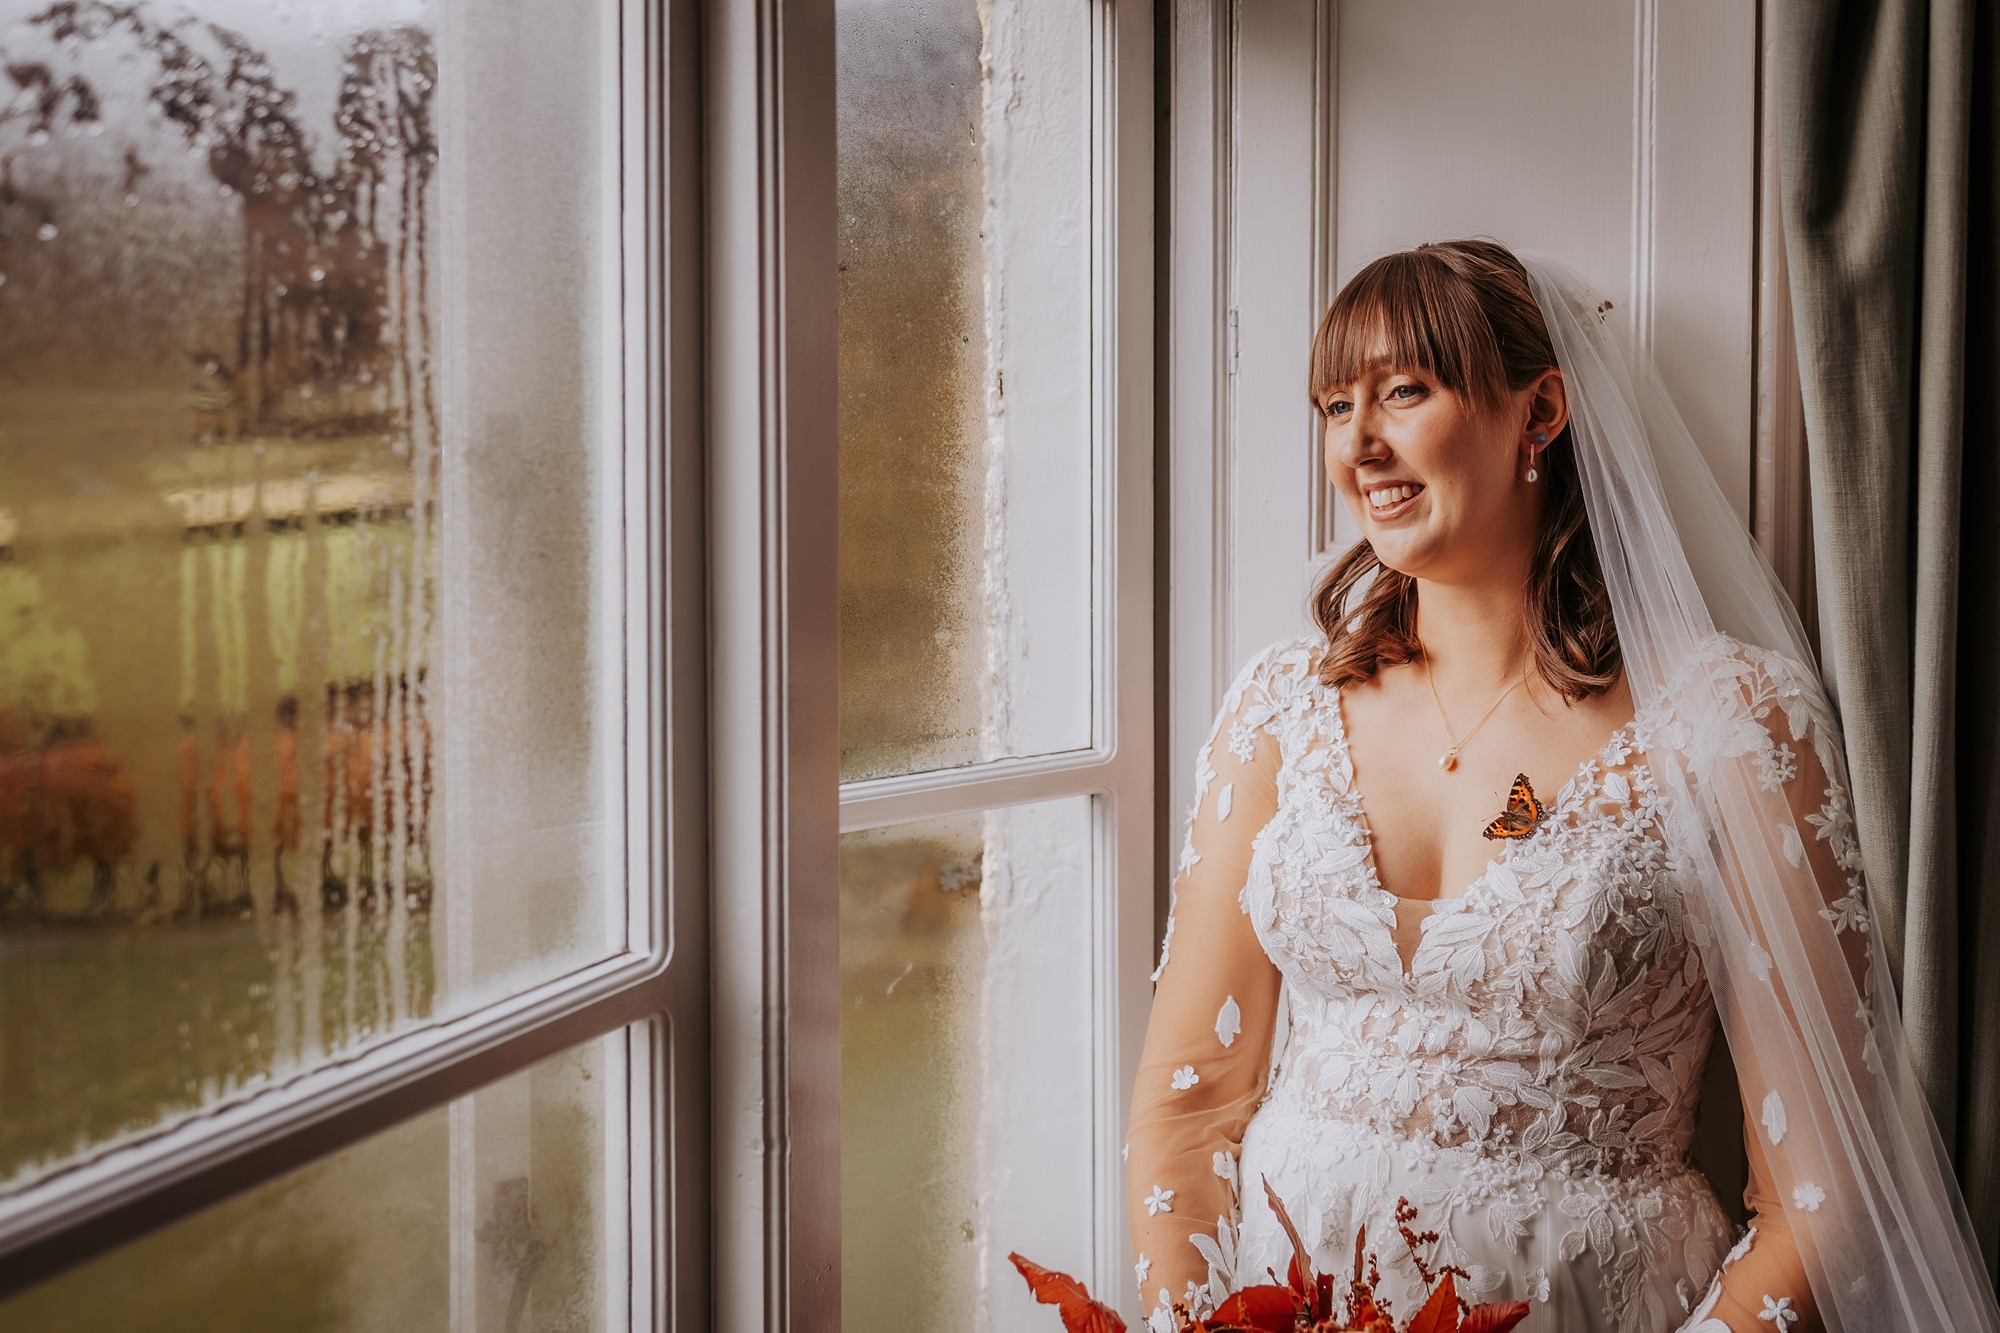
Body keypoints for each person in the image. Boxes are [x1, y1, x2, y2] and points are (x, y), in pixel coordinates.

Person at [1124, 241, 2000, 1333]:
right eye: (1332, 403)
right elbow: (1185, 1111)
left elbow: (1815, 1199)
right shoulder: (1275, 709)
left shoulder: (1729, 723)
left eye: (1404, 389)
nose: (1358, 442)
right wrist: (1187, 1322)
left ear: (1539, 412)